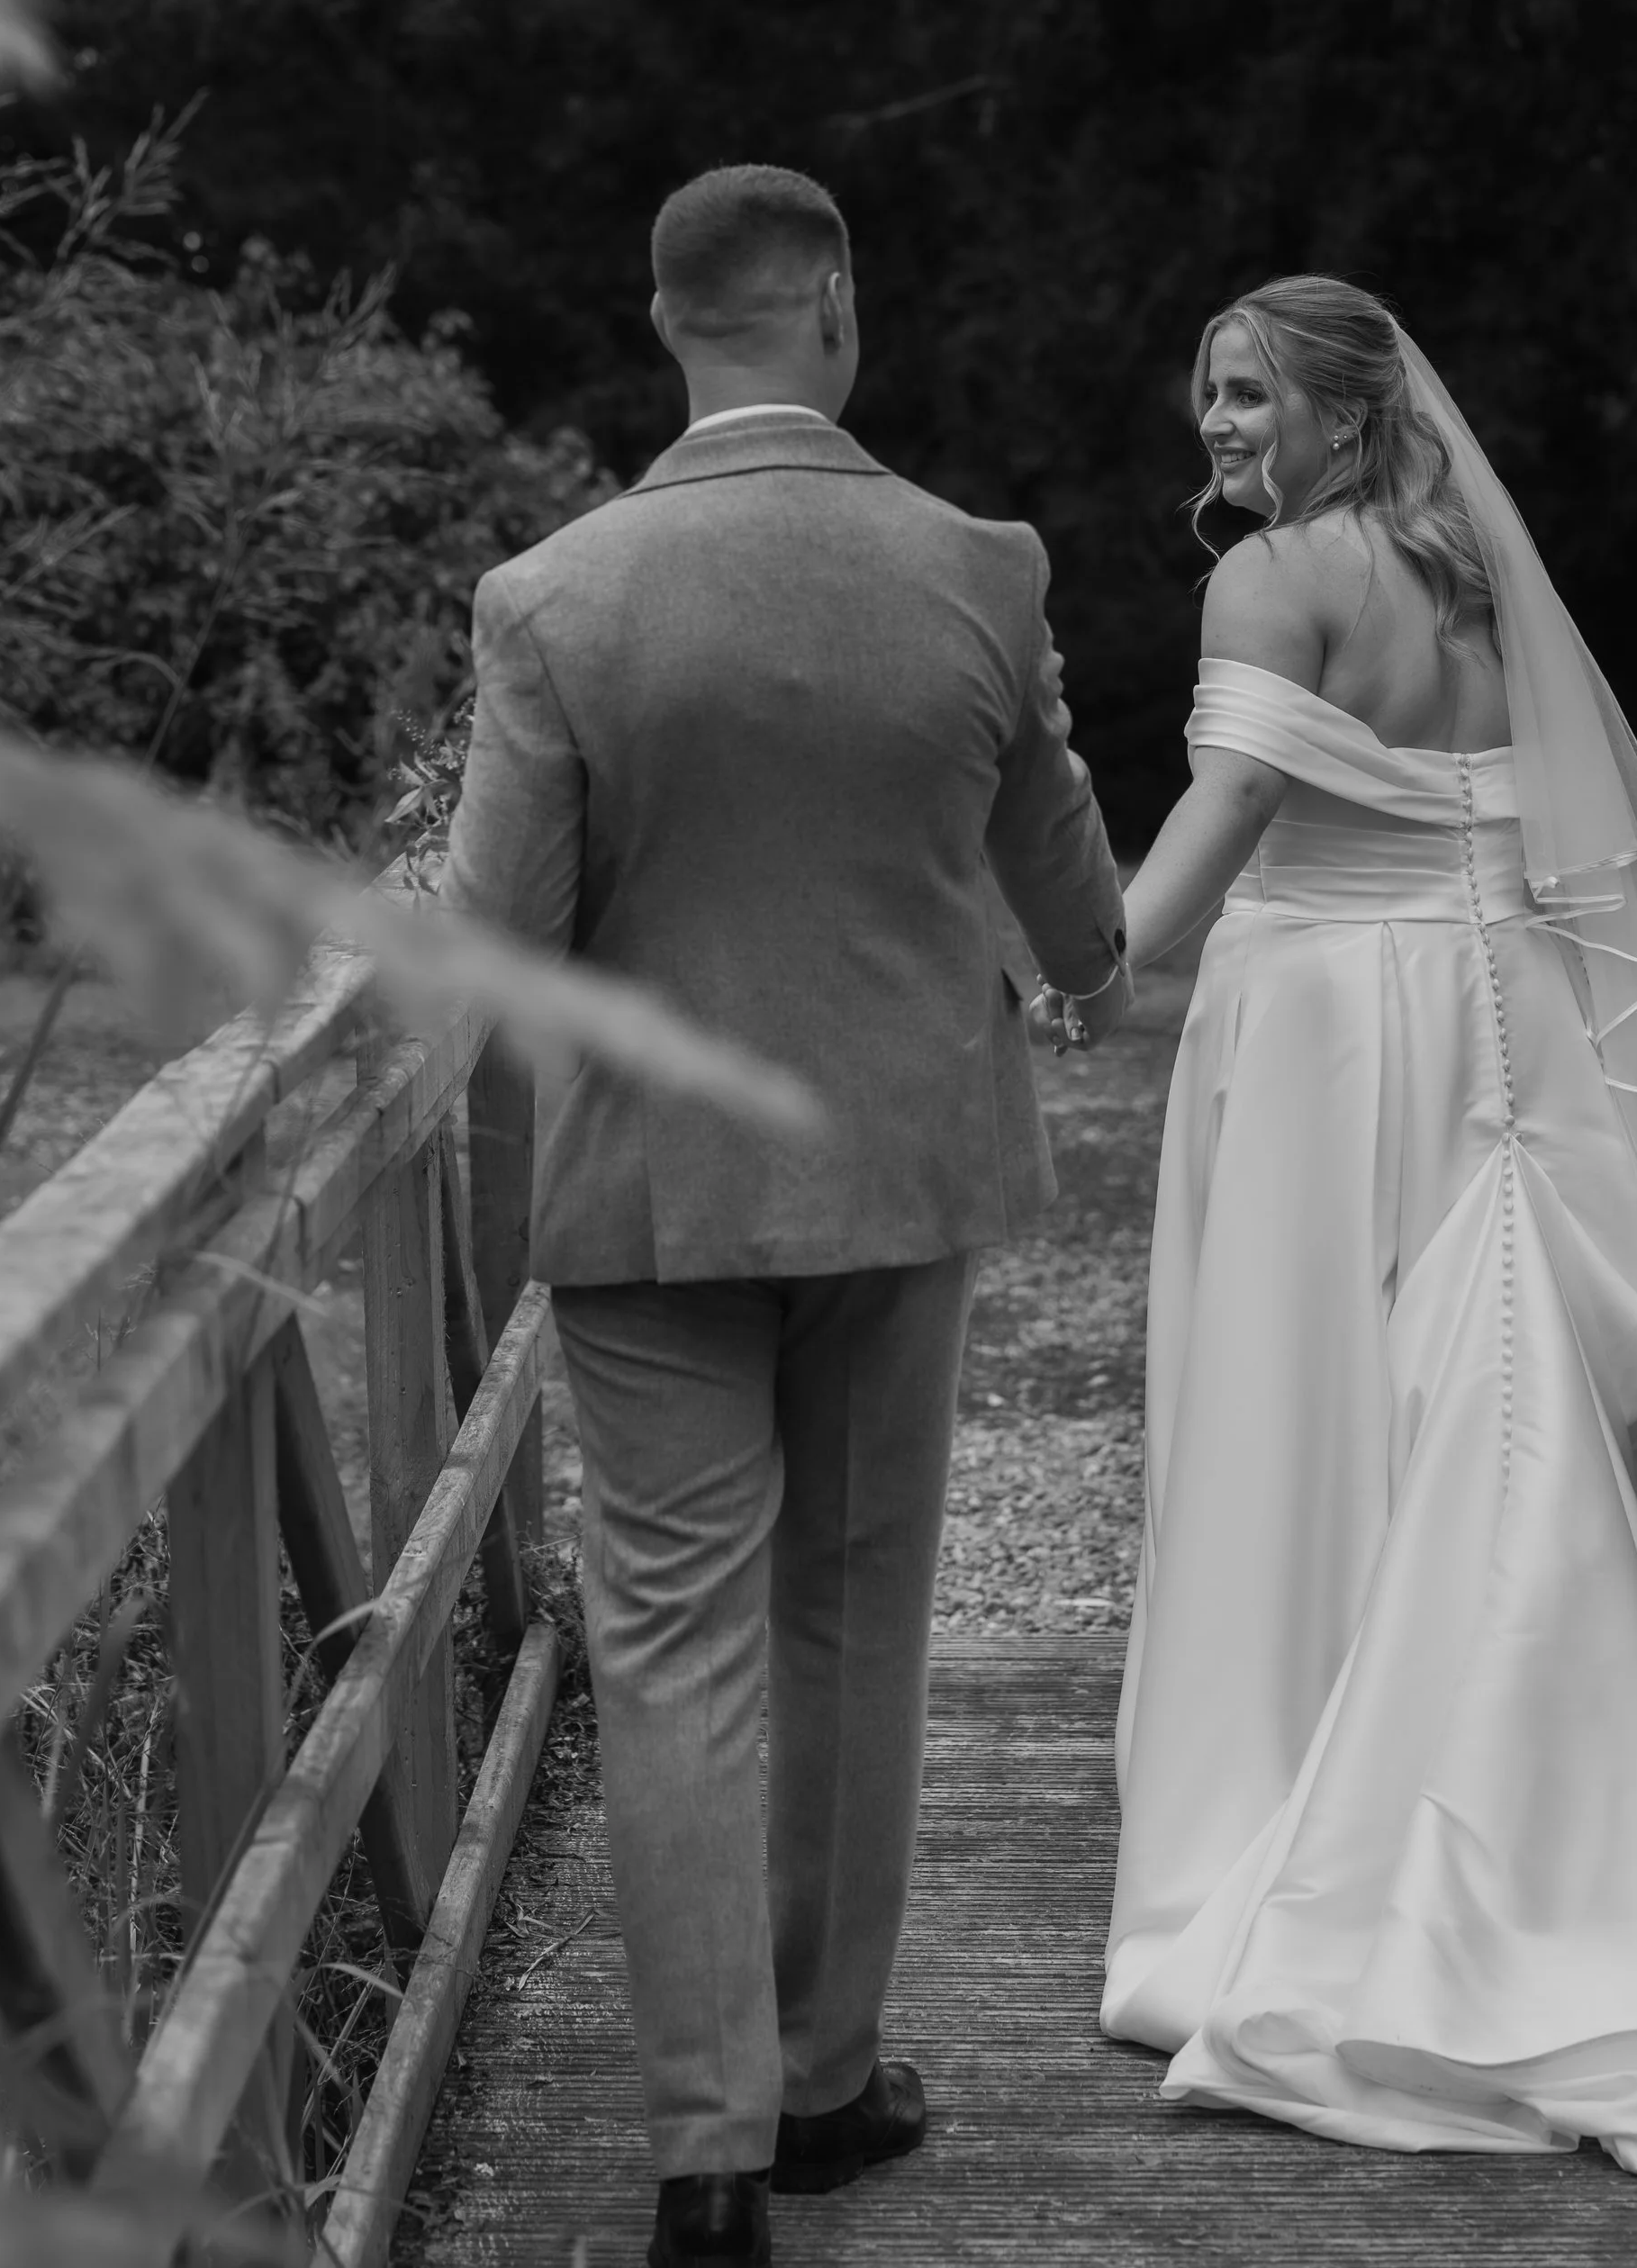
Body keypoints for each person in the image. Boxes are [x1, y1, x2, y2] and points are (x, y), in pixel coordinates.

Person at [1065, 276, 1637, 2166]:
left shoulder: (1270, 584)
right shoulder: (1474, 586)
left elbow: (1227, 810)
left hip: (1332, 1031)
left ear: (1345, 410)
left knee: (1302, 1421)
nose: (1219, 432)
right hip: (1497, 1019)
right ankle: (1546, 1826)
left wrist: (1080, 956)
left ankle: (1302, 1840)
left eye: (1250, 397)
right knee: (1493, 1421)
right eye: (1205, 403)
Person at [440, 164, 1129, 2268]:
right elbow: (1076, 903)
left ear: (669, 327)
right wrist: (1067, 960)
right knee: (854, 1628)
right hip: (900, 1175)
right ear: (828, 303)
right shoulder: (974, 569)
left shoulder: (551, 601)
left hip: (652, 1189)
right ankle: (827, 2089)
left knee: (668, 1651)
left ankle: (702, 2152)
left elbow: (493, 943)